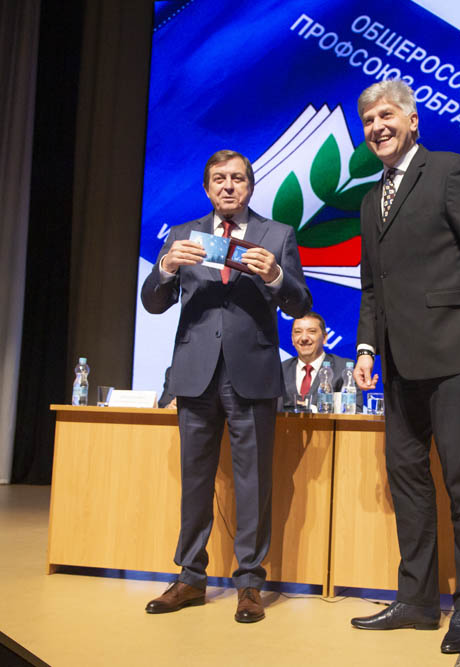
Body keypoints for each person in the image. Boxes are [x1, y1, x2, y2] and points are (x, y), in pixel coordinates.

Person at [349, 79, 460, 655]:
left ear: (412, 120)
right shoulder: (370, 199)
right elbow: (373, 287)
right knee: (408, 480)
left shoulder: (448, 170)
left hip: (452, 354)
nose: (378, 127)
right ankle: (417, 601)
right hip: (397, 364)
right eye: (369, 121)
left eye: (387, 115)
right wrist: (366, 348)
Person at [140, 149, 312, 623]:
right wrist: (165, 267)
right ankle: (190, 577)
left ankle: (250, 583)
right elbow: (153, 303)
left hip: (251, 375)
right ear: (207, 187)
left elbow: (300, 304)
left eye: (237, 178)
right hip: (195, 375)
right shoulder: (181, 236)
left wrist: (275, 275)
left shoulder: (277, 235)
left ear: (250, 186)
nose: (229, 186)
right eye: (219, 179)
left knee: (253, 482)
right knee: (195, 481)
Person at [279, 311, 362, 411]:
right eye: (298, 332)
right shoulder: (280, 370)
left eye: (311, 331)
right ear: (292, 339)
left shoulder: (344, 369)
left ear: (325, 338)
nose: (304, 338)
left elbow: (355, 411)